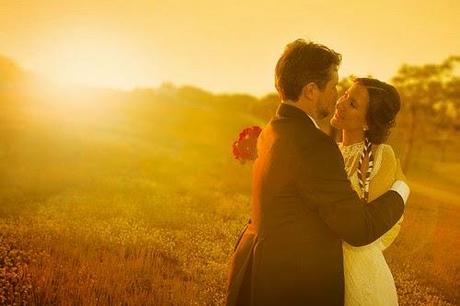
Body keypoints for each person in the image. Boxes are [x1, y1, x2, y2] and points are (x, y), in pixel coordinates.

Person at [225, 39, 410, 306]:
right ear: (311, 90)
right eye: (335, 88)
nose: (337, 97)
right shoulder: (315, 145)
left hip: (270, 271)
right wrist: (401, 191)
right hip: (293, 282)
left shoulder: (274, 128)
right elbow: (359, 229)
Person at [331, 78, 405, 305]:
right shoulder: (330, 150)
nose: (340, 103)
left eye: (352, 104)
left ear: (368, 123)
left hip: (359, 270)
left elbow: (378, 225)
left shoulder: (381, 155)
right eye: (345, 95)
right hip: (324, 264)